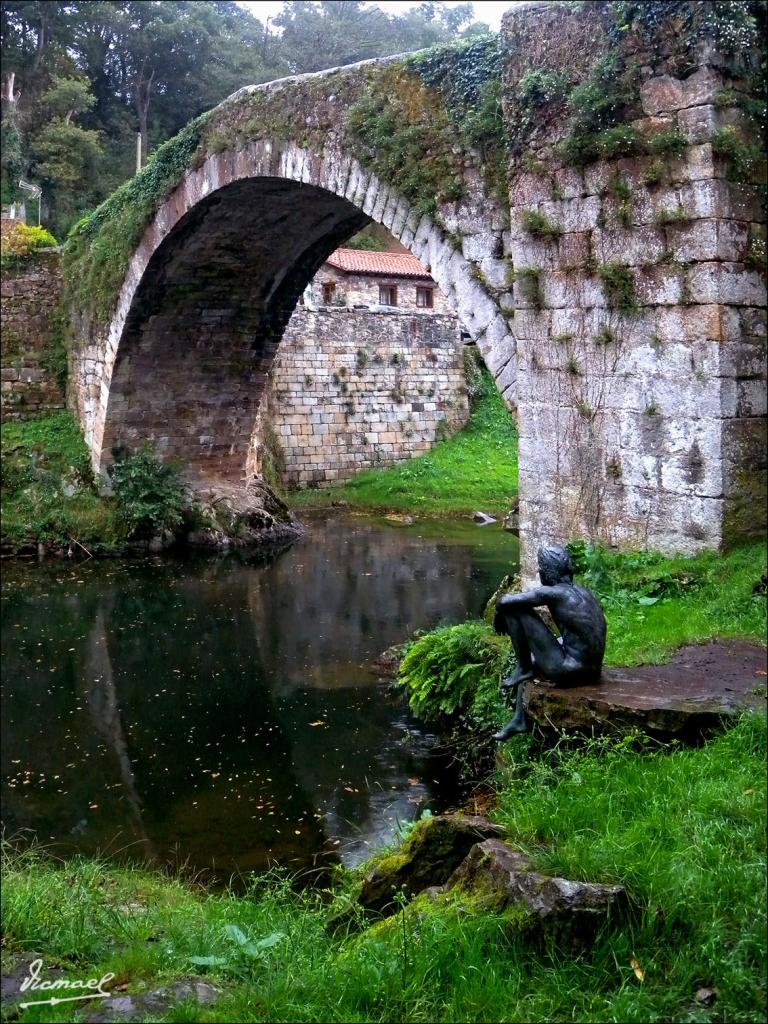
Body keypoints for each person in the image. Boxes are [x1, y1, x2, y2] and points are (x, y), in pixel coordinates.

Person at [492, 543, 606, 739]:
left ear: (546, 572)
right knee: (538, 658)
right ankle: (520, 719)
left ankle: (523, 668)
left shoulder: (553, 592)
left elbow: (504, 602)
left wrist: (499, 614)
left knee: (517, 610)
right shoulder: (584, 592)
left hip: (568, 670)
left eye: (540, 569)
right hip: (592, 670)